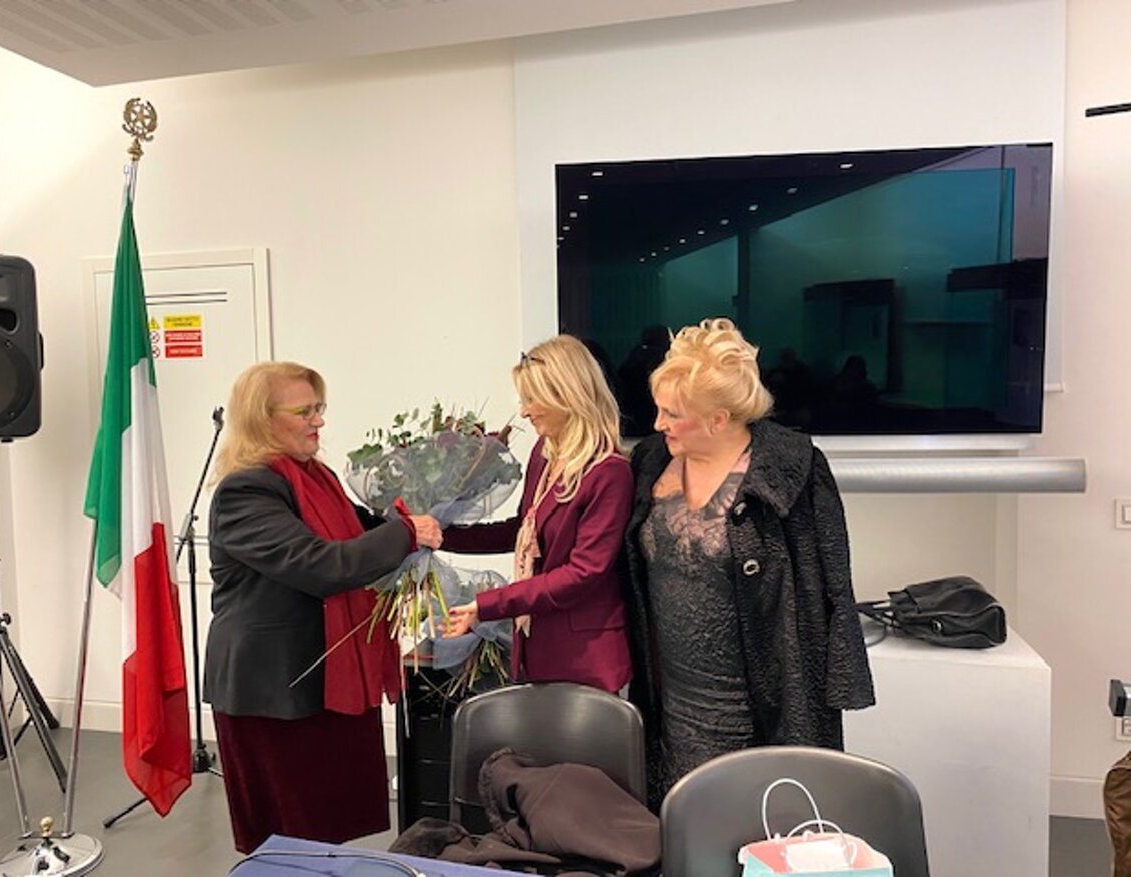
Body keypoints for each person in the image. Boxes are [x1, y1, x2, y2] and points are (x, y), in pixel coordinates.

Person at [622, 318, 874, 807]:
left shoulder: (793, 468)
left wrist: (842, 685)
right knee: (675, 823)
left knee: (759, 823)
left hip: (759, 706)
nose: (657, 424)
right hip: (669, 703)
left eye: (672, 414)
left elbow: (833, 584)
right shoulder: (650, 461)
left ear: (718, 419)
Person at [203, 361, 442, 853]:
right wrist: (405, 533)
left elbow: (361, 535)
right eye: (304, 411)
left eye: (320, 408)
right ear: (262, 419)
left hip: (325, 679)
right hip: (274, 693)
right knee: (288, 841)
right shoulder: (246, 492)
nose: (319, 421)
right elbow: (321, 565)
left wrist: (419, 512)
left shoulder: (317, 478)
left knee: (327, 830)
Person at [440, 335, 633, 693]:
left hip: (585, 658)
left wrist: (488, 605)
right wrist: (441, 535)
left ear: (567, 395)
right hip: (536, 645)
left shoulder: (610, 472)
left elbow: (583, 573)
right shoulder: (544, 453)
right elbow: (521, 530)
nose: (524, 412)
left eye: (532, 399)